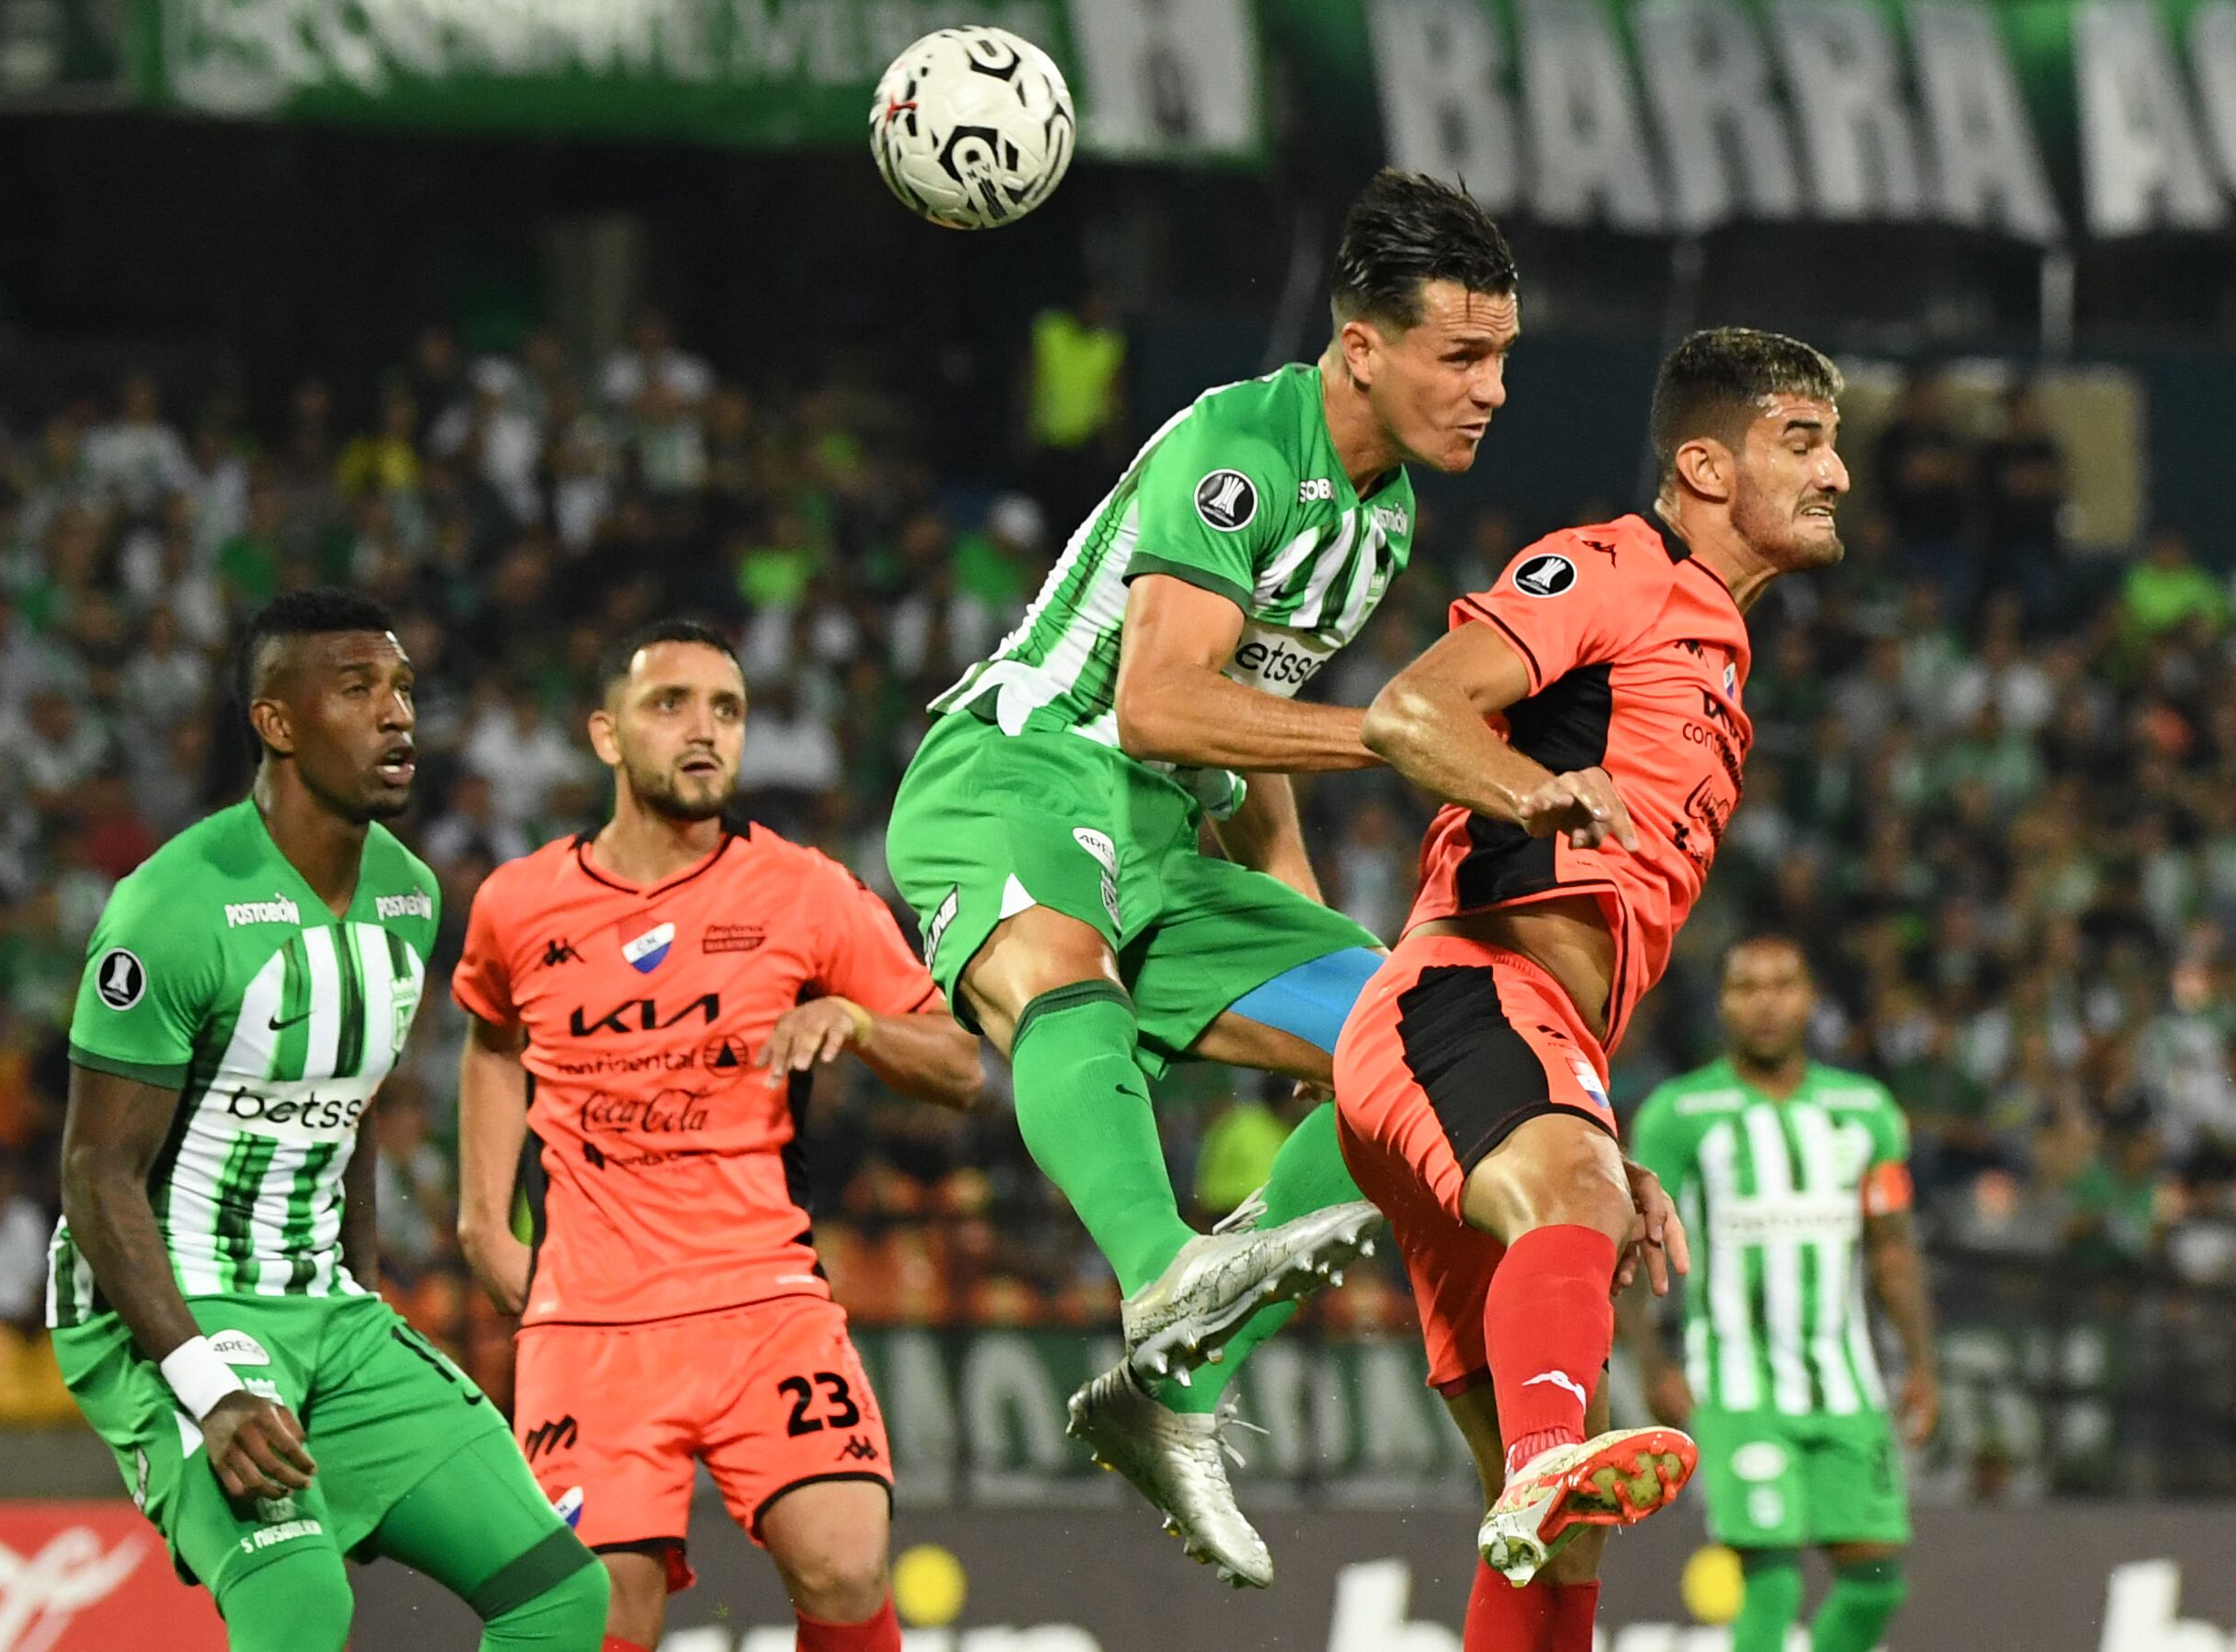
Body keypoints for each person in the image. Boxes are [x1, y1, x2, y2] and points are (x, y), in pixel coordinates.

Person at [883, 168, 1519, 1586]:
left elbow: (1244, 726)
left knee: (1418, 1041)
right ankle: (1158, 1266)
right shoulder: (1242, 441)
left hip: (1168, 833)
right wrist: (1393, 734)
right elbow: (1163, 700)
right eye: (1461, 356)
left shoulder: (1388, 514)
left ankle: (1170, 1384)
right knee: (1063, 966)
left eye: (1502, 360)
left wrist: (1297, 918)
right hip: (1026, 769)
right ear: (1365, 346)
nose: (1488, 390)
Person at [1333, 326, 1853, 1650]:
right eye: (1802, 439)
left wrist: (1598, 1134)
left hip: (1518, 1044)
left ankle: (1548, 1460)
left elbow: (1593, 955)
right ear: (1703, 463)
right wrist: (1527, 787)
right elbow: (1408, 711)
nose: (1838, 471)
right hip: (1459, 992)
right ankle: (1553, 1443)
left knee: (1560, 1541)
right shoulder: (1617, 569)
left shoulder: (1723, 654)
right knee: (1558, 1455)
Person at [46, 587, 609, 1652]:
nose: (399, 715)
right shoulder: (171, 906)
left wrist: (360, 1306)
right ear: (278, 722)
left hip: (326, 1311)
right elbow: (97, 1174)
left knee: (562, 1595)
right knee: (303, 1604)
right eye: (357, 690)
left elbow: (343, 1117)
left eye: (402, 688)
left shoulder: (408, 894)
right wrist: (210, 1389)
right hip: (170, 1304)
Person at [454, 620, 982, 1652]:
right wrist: (483, 1219)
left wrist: (863, 1024)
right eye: (672, 706)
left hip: (761, 1299)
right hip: (593, 1322)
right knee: (601, 1612)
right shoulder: (518, 903)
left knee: (845, 1558)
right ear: (607, 736)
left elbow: (959, 1062)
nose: (704, 732)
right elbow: (490, 1040)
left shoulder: (804, 888)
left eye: (727, 710)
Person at [1623, 936, 1938, 1652]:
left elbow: (1891, 1248)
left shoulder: (1866, 1110)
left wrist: (1922, 1367)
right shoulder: (1679, 1113)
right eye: (1747, 987)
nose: (1766, 1003)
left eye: (1783, 985)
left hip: (1846, 1382)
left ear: (1811, 1000)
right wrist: (1650, 1365)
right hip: (1735, 1384)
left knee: (1877, 1579)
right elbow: (1636, 1248)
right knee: (1771, 1578)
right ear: (1724, 1003)